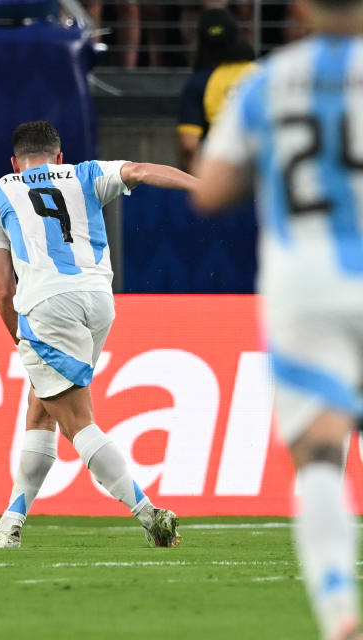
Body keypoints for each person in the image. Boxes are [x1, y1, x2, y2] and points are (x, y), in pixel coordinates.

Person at [193, 1, 363, 636]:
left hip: (304, 286)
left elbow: (209, 191)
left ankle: (341, 615)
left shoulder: (265, 81)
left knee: (320, 454)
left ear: (299, 8)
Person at [0, 121, 198, 549]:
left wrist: (20, 339)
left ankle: (150, 514)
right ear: (59, 156)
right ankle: (10, 523)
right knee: (41, 406)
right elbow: (142, 170)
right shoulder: (85, 173)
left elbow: (4, 288)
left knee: (76, 420)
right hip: (99, 301)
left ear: (14, 163)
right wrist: (200, 184)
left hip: (47, 304)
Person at [176, 8, 259, 172]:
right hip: (262, 171)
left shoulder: (198, 83)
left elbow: (189, 146)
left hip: (222, 172)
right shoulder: (262, 74)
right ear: (238, 35)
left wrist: (197, 186)